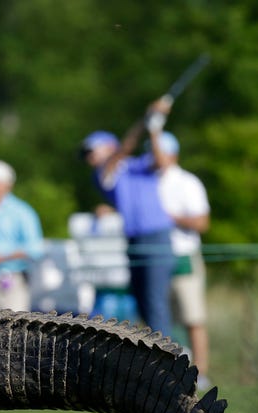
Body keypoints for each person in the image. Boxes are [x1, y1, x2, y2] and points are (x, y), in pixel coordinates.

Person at [80, 97, 176, 339]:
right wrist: (146, 120)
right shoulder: (102, 174)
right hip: (134, 241)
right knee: (143, 302)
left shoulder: (138, 165)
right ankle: (159, 359)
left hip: (157, 237)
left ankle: (169, 364)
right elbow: (125, 149)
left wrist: (154, 127)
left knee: (155, 303)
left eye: (92, 151)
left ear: (109, 147)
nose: (88, 157)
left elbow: (161, 161)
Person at [155, 132, 212, 386]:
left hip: (183, 256)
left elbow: (202, 221)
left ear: (172, 154)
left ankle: (200, 372)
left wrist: (168, 217)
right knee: (160, 317)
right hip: (155, 257)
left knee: (192, 317)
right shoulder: (147, 181)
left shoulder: (187, 182)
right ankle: (166, 370)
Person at [0, 159, 44, 312]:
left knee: (14, 331)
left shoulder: (22, 212)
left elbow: (35, 248)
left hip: (12, 280)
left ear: (7, 185)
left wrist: (2, 257)